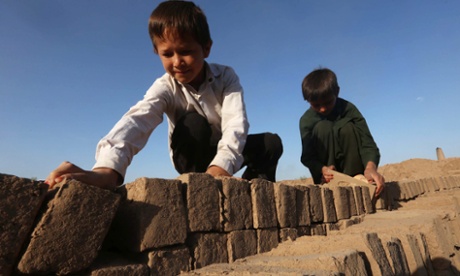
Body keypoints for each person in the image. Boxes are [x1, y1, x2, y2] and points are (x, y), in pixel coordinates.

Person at [45, 0, 283, 190]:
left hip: (223, 151)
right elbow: (138, 119)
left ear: (206, 48)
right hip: (190, 154)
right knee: (193, 123)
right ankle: (201, 187)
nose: (178, 62)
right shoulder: (165, 86)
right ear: (156, 52)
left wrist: (220, 168)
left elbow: (235, 124)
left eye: (186, 52)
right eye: (167, 54)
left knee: (271, 143)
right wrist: (107, 169)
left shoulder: (226, 77)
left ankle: (253, 191)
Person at [299, 68, 384, 196]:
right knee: (323, 127)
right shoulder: (306, 120)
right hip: (328, 178)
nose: (322, 109)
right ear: (308, 101)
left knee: (347, 127)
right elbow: (308, 157)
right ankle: (329, 184)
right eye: (316, 105)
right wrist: (322, 169)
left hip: (355, 174)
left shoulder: (349, 110)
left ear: (337, 92)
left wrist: (370, 167)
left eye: (328, 102)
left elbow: (368, 144)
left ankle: (356, 179)